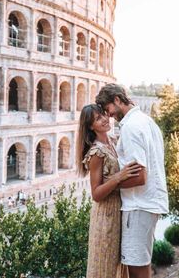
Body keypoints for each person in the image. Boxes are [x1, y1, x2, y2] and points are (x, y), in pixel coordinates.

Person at [96, 83, 169, 278]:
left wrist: (110, 185)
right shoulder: (146, 121)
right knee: (139, 265)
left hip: (139, 205)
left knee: (137, 269)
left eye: (108, 109)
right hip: (147, 203)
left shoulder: (130, 127)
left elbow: (139, 176)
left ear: (118, 100)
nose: (109, 115)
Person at [76, 103, 141, 278]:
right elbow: (96, 194)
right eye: (98, 118)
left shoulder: (112, 142)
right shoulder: (96, 152)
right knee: (105, 265)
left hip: (119, 211)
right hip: (105, 216)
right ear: (91, 126)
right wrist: (119, 177)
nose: (105, 119)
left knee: (117, 265)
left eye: (104, 114)